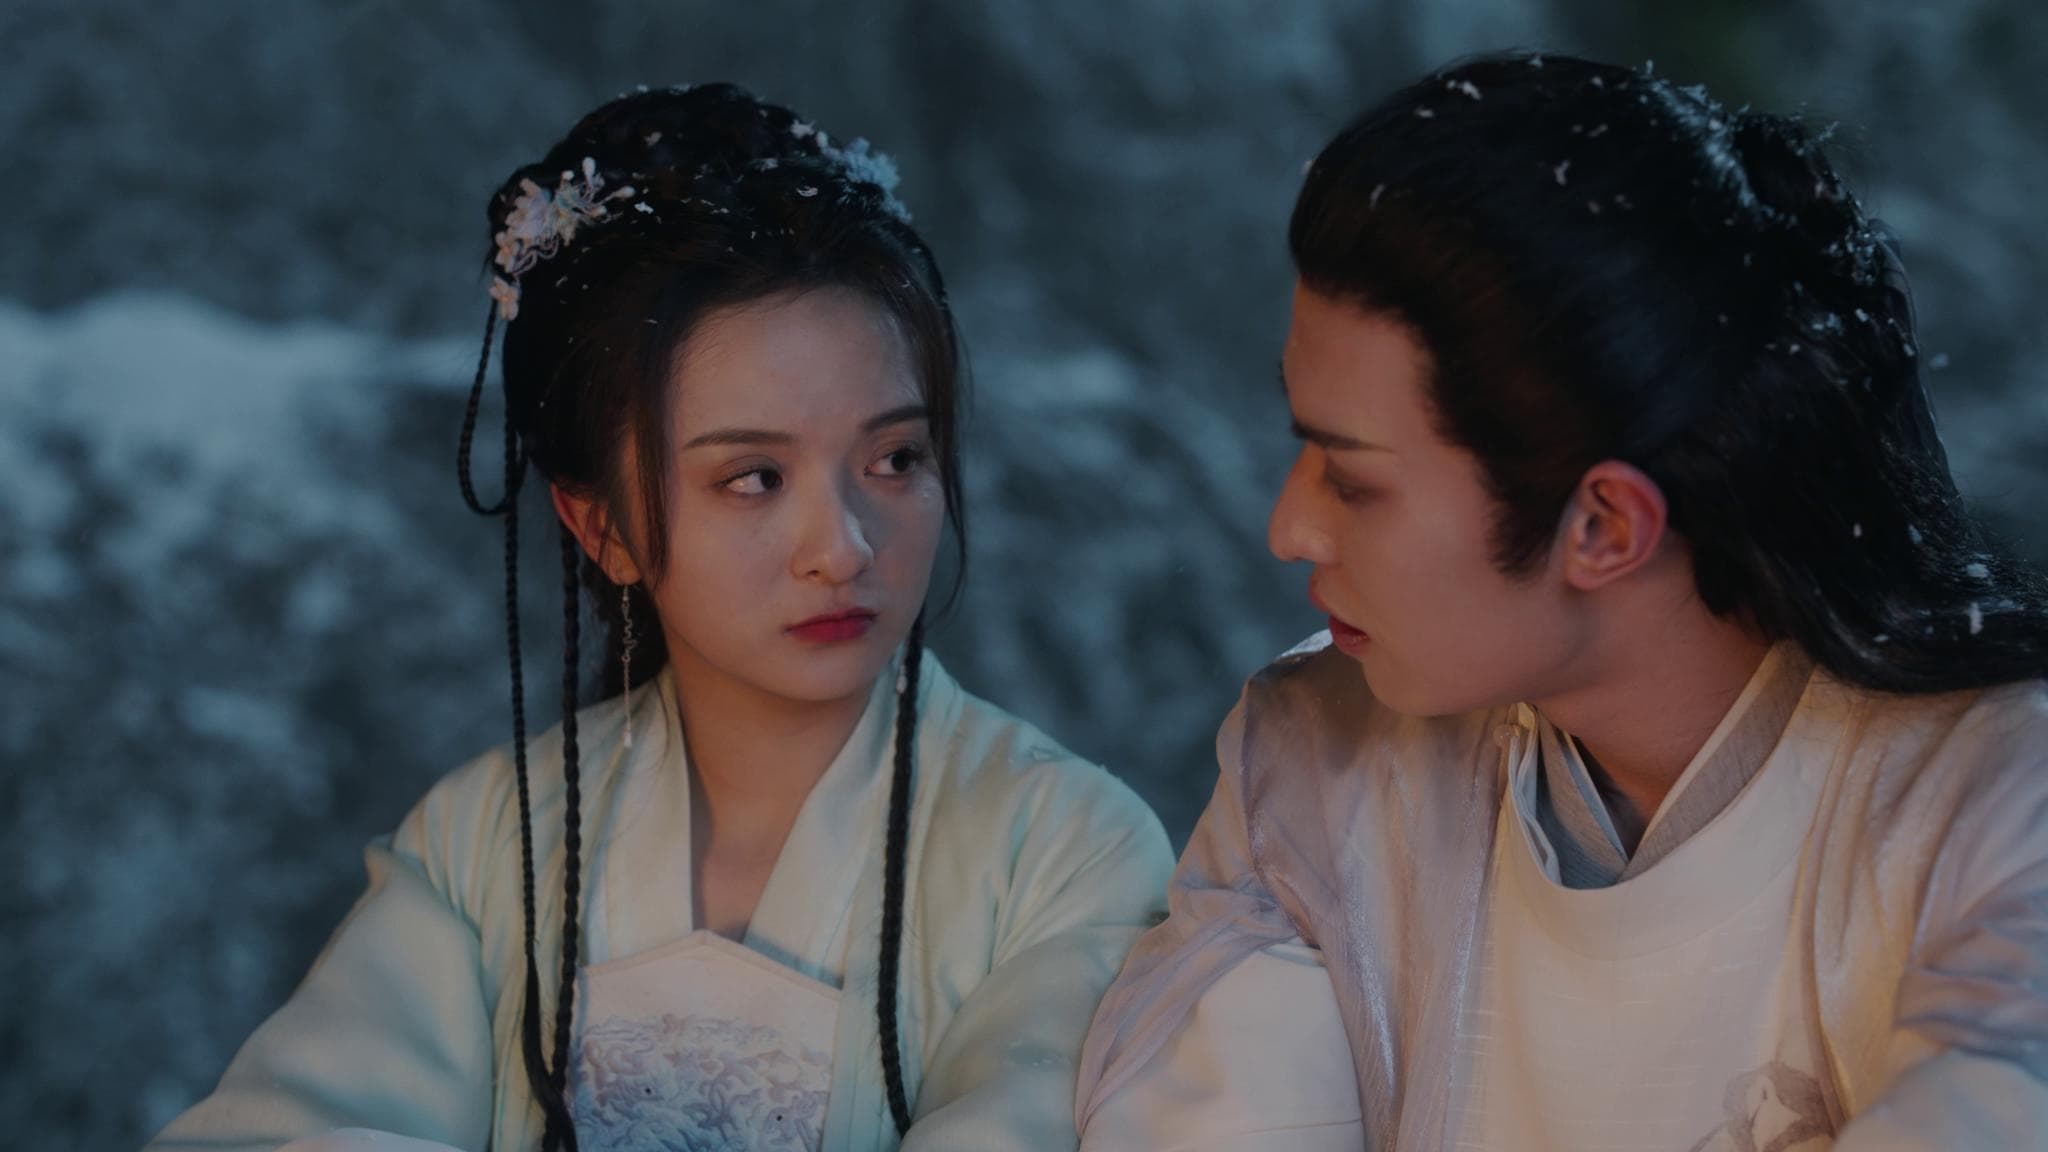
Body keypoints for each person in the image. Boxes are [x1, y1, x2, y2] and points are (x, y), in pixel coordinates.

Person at [148, 83, 1173, 1152]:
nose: (843, 548)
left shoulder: (1063, 851)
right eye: (754, 478)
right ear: (602, 528)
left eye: (895, 458)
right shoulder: (486, 845)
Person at [1077, 52, 2048, 1151]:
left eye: (1349, 478)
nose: (1288, 528)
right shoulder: (1320, 772)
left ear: (1604, 526)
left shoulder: (1993, 802)